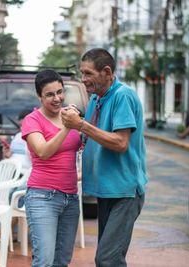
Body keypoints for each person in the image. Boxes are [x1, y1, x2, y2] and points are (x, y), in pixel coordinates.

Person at [61, 48, 147, 267]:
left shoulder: (122, 96)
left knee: (107, 259)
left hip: (125, 192)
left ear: (107, 72)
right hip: (106, 190)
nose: (84, 79)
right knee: (109, 259)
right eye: (83, 73)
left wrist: (81, 124)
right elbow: (88, 139)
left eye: (88, 73)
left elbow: (120, 142)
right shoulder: (96, 100)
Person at [22, 69, 81, 266]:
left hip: (71, 199)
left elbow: (80, 150)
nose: (57, 98)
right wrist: (68, 126)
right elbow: (43, 152)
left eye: (60, 92)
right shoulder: (32, 120)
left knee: (62, 261)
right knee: (44, 261)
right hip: (42, 197)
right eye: (49, 94)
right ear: (39, 96)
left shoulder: (69, 116)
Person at [0, 108, 33, 249]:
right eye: (21, 125)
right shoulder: (17, 136)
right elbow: (12, 155)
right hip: (9, 171)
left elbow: (34, 159)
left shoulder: (35, 136)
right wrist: (7, 153)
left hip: (23, 174)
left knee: (9, 194)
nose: (23, 127)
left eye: (25, 124)